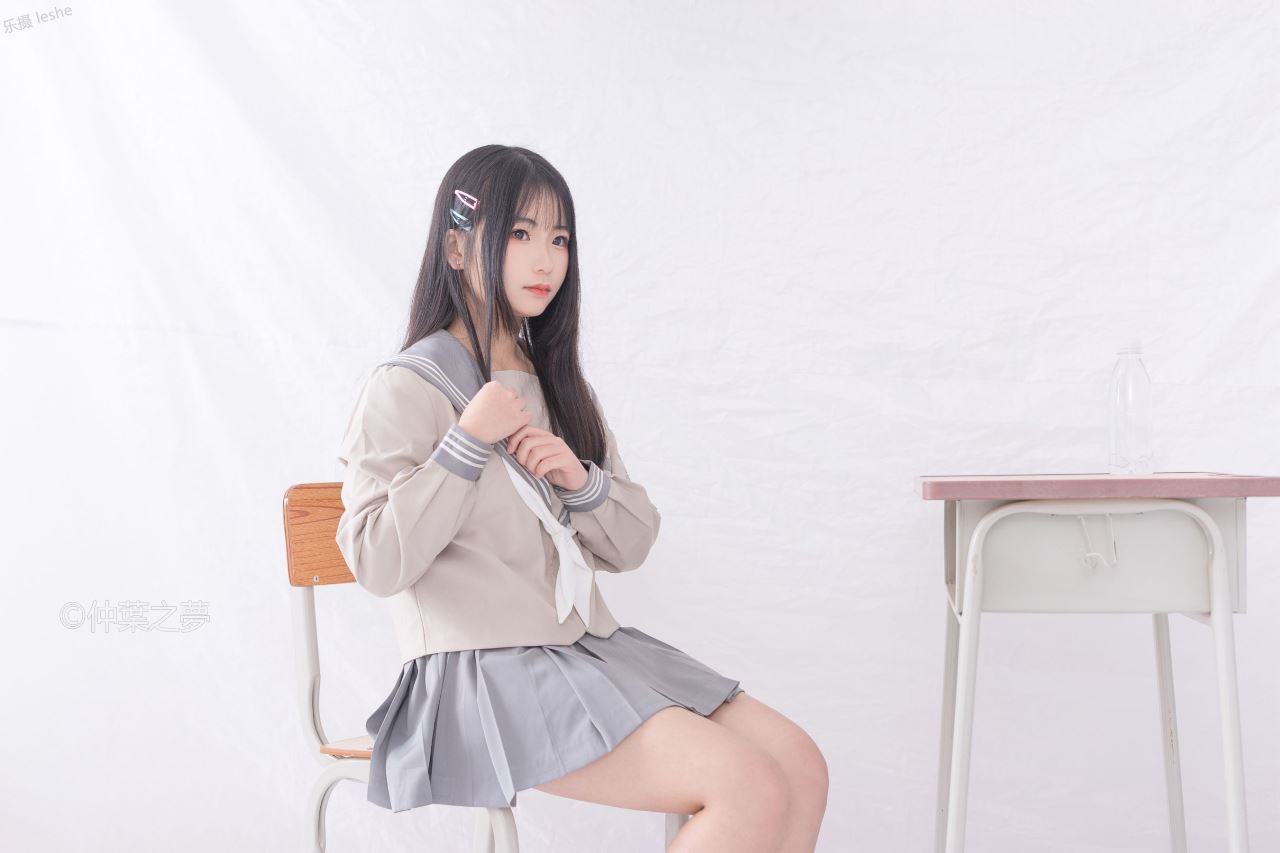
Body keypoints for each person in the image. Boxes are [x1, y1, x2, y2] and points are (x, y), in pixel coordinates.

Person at [335, 144, 828, 852]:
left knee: (799, 766)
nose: (546, 259)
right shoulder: (406, 386)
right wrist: (466, 444)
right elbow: (377, 562)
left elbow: (631, 545)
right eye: (520, 233)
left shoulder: (559, 386)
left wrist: (581, 481)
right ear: (456, 246)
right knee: (745, 784)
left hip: (582, 648)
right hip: (477, 671)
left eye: (560, 238)